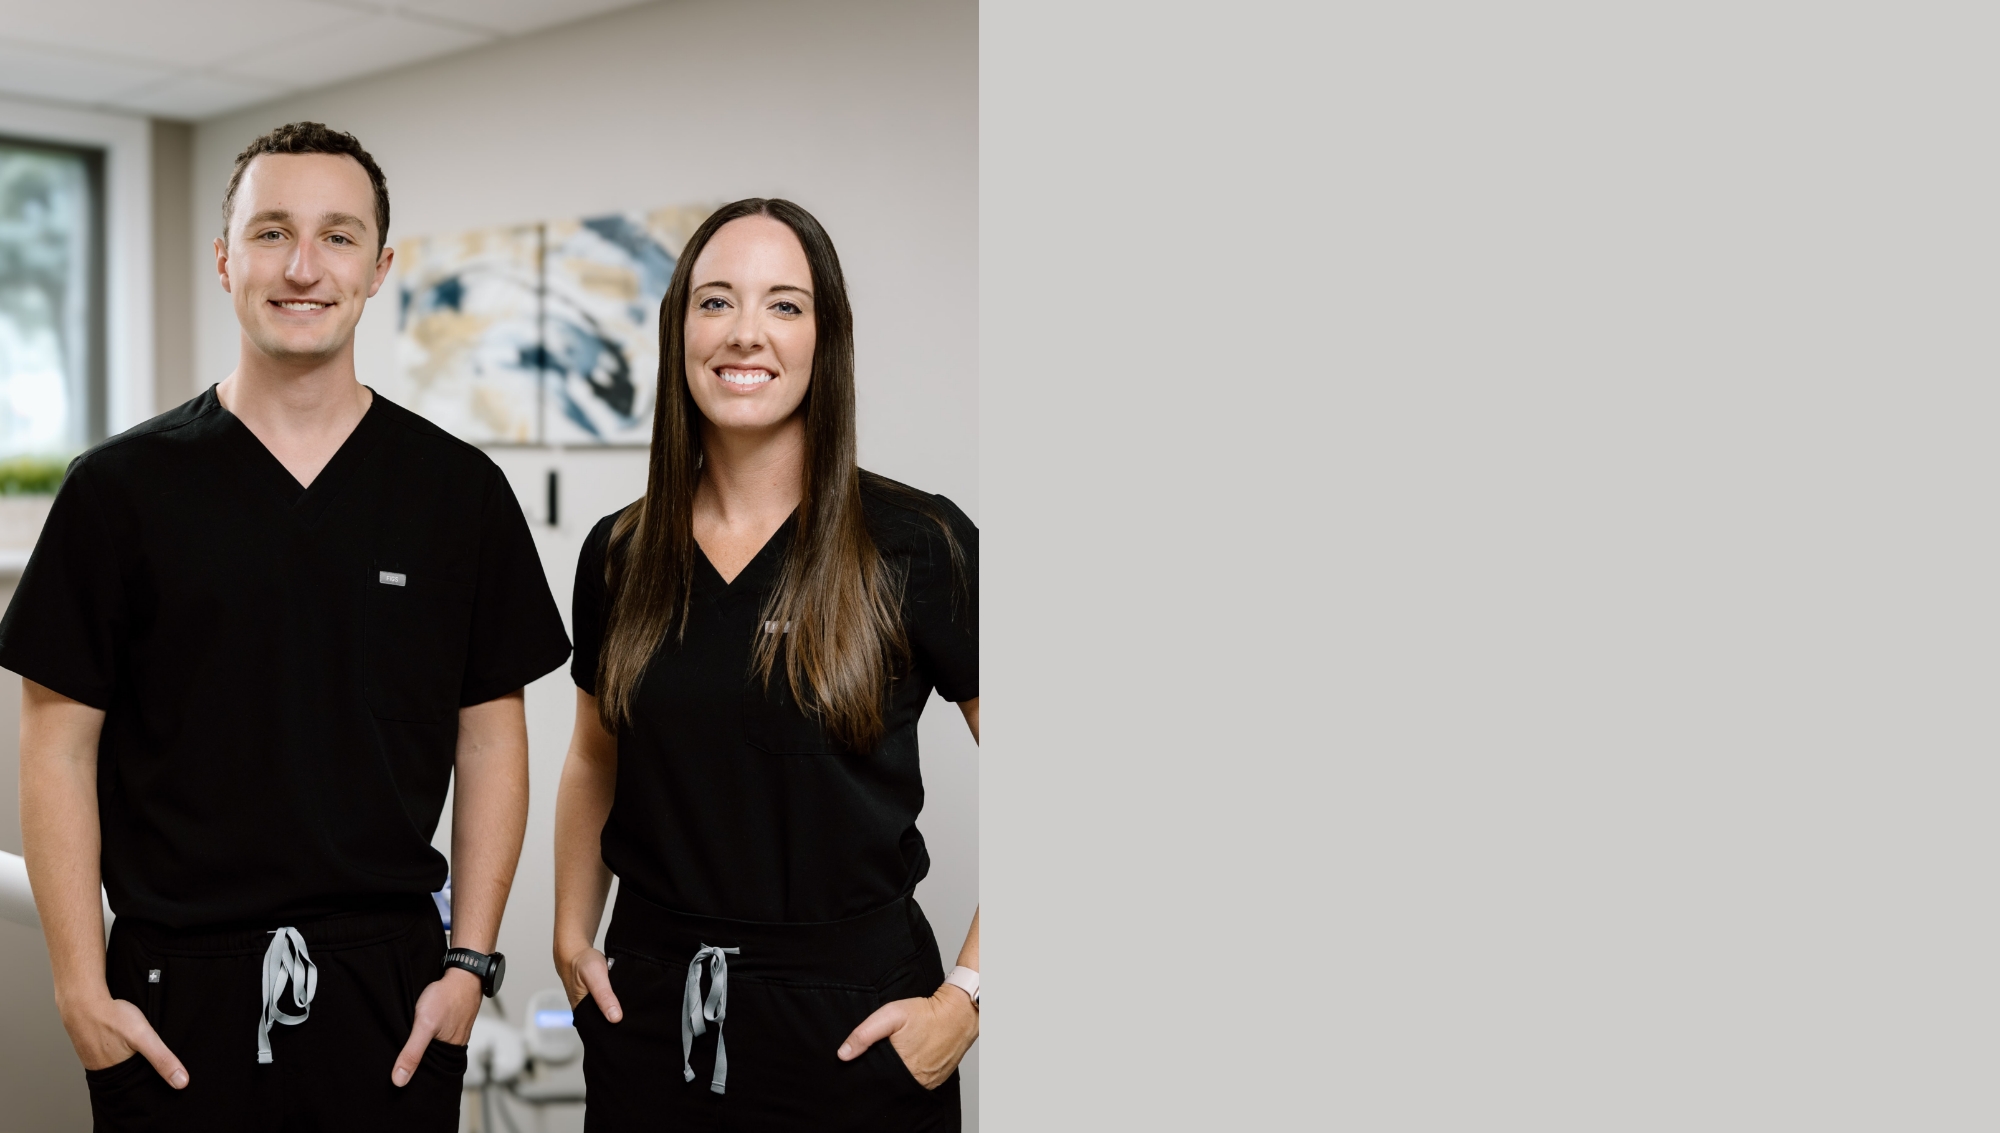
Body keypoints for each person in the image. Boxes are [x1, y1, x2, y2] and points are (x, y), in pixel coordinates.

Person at [0, 122, 571, 1130]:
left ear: (380, 266)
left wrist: (469, 965)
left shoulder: (457, 495)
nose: (303, 266)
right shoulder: (118, 492)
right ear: (224, 259)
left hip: (390, 995)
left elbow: (490, 737)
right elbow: (56, 740)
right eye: (270, 233)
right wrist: (78, 989)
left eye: (337, 236)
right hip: (172, 994)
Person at [552, 198, 979, 1131]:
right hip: (652, 1017)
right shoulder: (619, 553)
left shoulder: (920, 543)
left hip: (858, 1031)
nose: (746, 332)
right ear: (679, 333)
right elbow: (594, 755)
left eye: (784, 305)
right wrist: (572, 934)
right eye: (716, 302)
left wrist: (971, 996)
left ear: (827, 338)